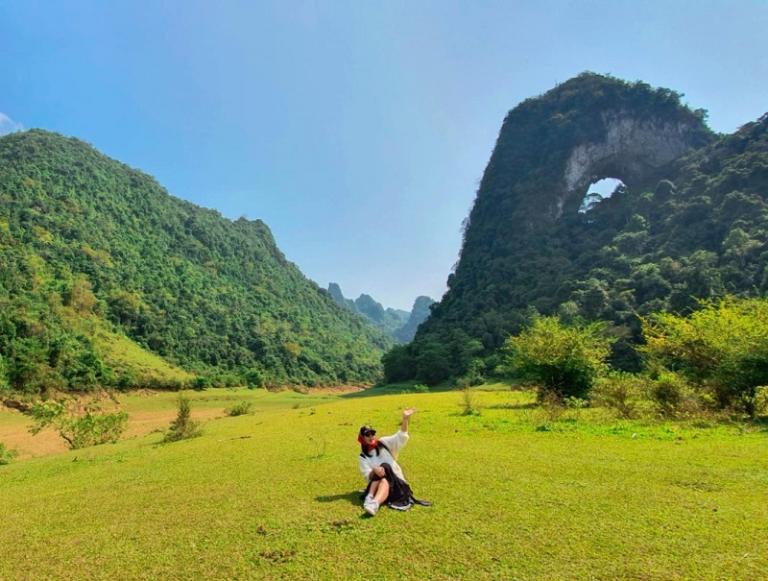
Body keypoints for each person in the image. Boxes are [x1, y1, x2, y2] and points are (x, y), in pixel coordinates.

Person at [358, 408, 431, 516]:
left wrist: (405, 419)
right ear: (362, 438)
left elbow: (400, 437)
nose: (371, 436)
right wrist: (374, 470)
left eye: (372, 433)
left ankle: (372, 501)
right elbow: (367, 476)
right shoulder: (363, 456)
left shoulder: (383, 443)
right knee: (383, 477)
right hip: (377, 484)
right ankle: (373, 501)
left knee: (385, 467)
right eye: (367, 434)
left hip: (396, 483)